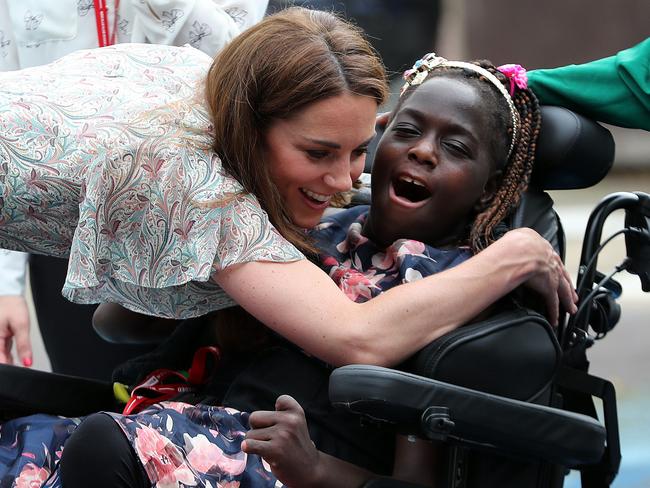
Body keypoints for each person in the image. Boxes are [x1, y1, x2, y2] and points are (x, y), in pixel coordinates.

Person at [1, 45, 559, 488]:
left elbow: (415, 475)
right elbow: (119, 323)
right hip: (182, 421)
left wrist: (315, 469)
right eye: (407, 131)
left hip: (283, 463)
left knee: (102, 446)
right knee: (23, 440)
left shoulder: (457, 285)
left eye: (456, 147)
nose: (423, 152)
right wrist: (189, 244)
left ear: (491, 186)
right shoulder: (304, 221)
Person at [0, 0, 269, 375]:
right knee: (82, 400)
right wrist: (5, 283)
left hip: (190, 218)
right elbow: (8, 106)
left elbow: (244, 73)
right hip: (63, 223)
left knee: (183, 405)